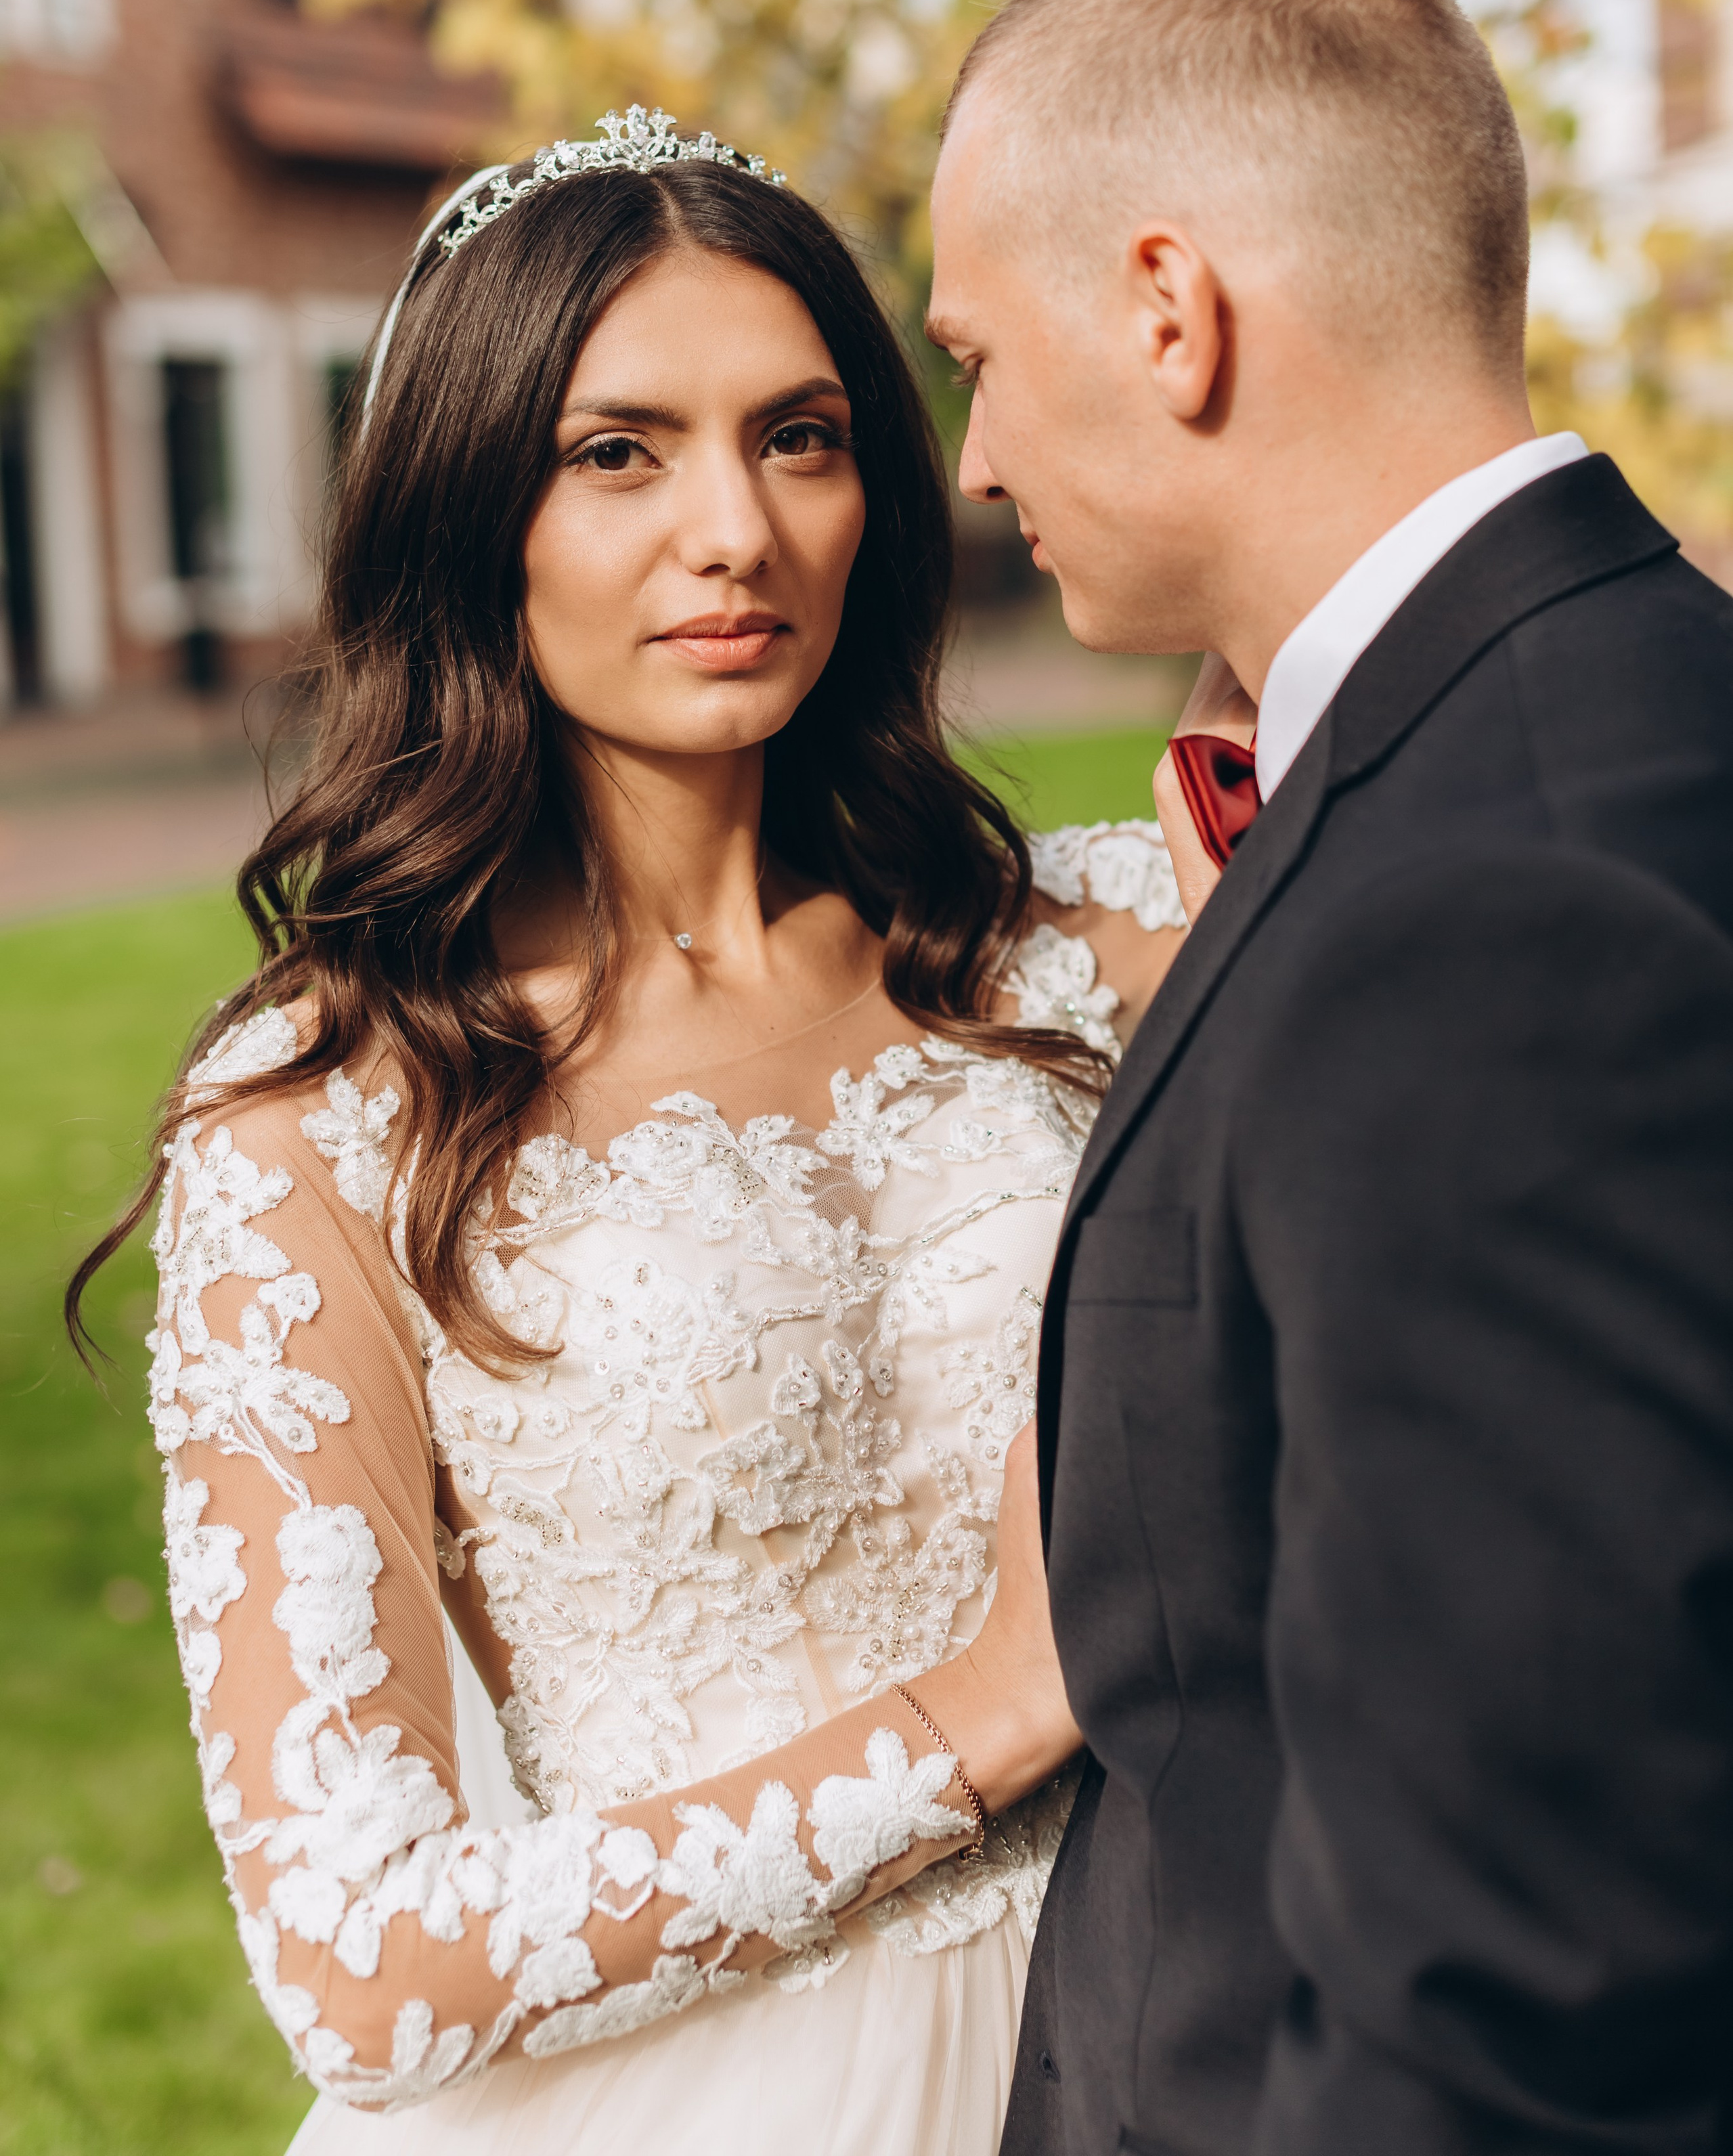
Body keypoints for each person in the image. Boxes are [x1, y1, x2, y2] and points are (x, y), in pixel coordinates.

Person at [68, 108, 1189, 2153]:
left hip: (1170, 2028)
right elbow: (359, 1964)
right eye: (619, 452)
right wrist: (986, 1715)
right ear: (470, 512)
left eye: (802, 435)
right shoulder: (324, 1127)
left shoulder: (1097, 944)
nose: (734, 533)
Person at [927, 0, 1733, 2153]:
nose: (970, 459)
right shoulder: (1616, 717)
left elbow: (1521, 1992)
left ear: (1169, 311)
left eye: (976, 353)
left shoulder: (1485, 919)